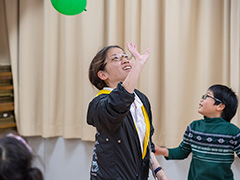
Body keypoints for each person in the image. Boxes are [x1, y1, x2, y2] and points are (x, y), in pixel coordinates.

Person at [87, 42, 168, 180]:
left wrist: (159, 172)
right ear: (102, 74)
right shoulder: (99, 104)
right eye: (116, 58)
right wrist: (138, 65)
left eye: (125, 56)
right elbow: (117, 104)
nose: (125, 59)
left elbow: (145, 143)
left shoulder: (141, 99)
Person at [156, 84, 240, 180]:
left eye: (206, 96)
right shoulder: (194, 127)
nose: (201, 100)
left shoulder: (233, 132)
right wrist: (159, 150)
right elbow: (182, 151)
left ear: (220, 106)